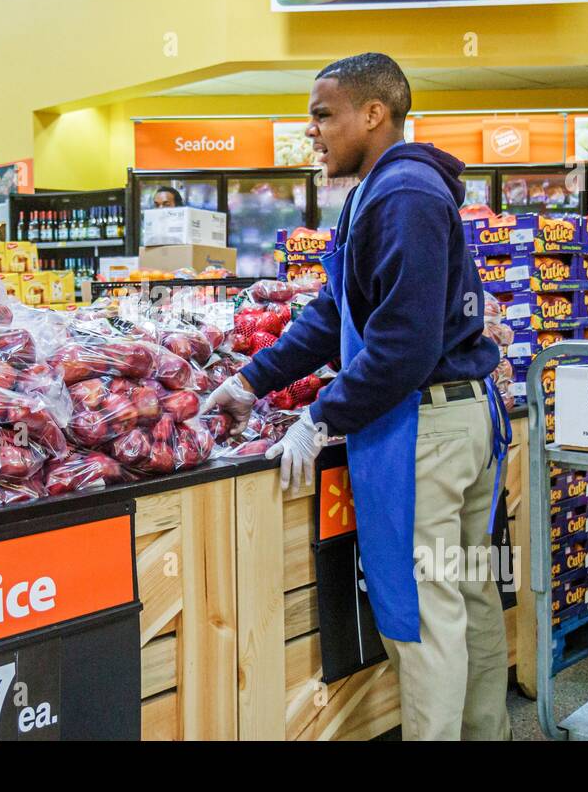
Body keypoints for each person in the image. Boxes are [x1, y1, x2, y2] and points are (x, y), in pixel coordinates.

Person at [203, 53, 511, 741]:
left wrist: (320, 417)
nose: (311, 131)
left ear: (374, 114)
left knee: (423, 616)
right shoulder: (384, 191)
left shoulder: (402, 196)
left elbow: (402, 345)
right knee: (467, 595)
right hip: (456, 419)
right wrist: (253, 380)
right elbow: (332, 310)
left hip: (423, 436)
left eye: (322, 115)